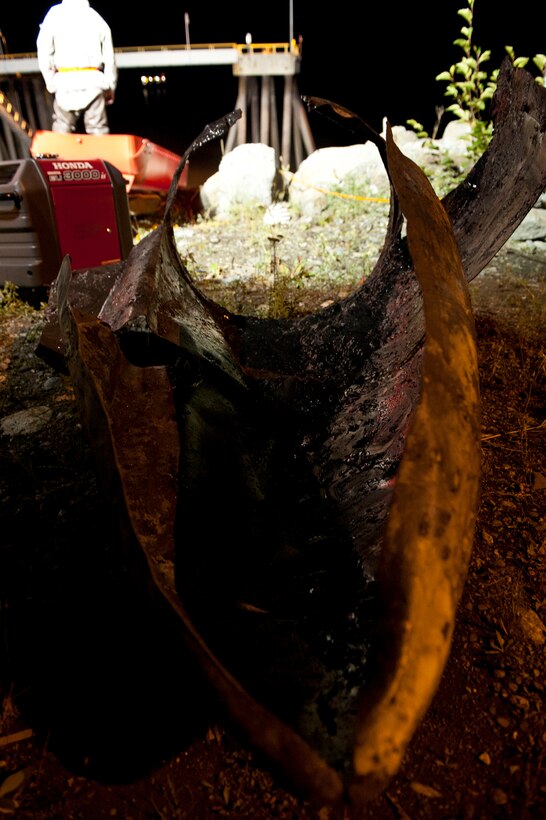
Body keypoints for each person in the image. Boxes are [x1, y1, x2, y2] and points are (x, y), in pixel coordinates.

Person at [36, 0, 117, 134]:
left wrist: (50, 81)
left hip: (65, 83)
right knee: (98, 130)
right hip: (93, 82)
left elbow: (44, 51)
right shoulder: (95, 17)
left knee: (62, 129)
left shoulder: (54, 15)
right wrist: (110, 86)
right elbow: (109, 57)